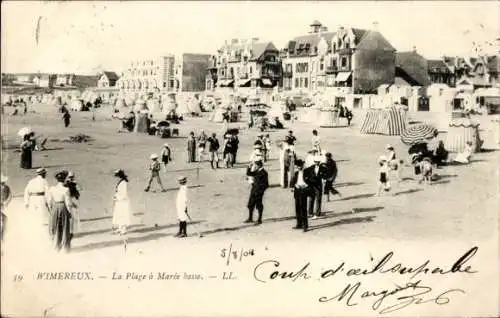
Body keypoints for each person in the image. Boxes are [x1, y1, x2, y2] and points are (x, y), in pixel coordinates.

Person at [47, 171, 73, 252]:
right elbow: (68, 203)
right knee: (65, 227)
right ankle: (65, 247)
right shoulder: (66, 189)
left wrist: (51, 210)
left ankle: (55, 246)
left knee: (54, 226)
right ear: (64, 179)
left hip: (55, 207)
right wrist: (69, 212)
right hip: (63, 207)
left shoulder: (52, 189)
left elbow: (49, 201)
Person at [24, 168, 51, 242]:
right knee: (42, 217)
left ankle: (33, 234)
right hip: (41, 199)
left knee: (33, 216)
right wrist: (49, 203)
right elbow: (47, 193)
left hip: (32, 199)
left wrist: (26, 202)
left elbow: (26, 191)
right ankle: (42, 236)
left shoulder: (31, 181)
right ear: (43, 174)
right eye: (45, 173)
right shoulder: (44, 181)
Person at [245, 160, 269, 225]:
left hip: (258, 192)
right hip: (254, 190)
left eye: (256, 165)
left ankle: (259, 219)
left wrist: (261, 191)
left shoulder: (264, 173)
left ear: (259, 165)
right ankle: (250, 218)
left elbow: (266, 184)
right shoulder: (258, 171)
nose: (255, 166)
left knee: (259, 205)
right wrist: (249, 167)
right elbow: (249, 173)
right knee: (251, 204)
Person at [289, 159, 309, 232]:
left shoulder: (306, 173)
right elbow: (293, 181)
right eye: (297, 166)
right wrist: (294, 186)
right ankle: (299, 224)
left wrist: (305, 185)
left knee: (303, 209)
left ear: (302, 166)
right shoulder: (296, 173)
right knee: (297, 208)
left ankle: (305, 225)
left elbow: (310, 182)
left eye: (300, 166)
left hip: (303, 191)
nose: (299, 167)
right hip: (297, 192)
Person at [112, 169, 132, 235]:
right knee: (118, 215)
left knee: (123, 215)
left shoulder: (123, 183)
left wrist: (117, 198)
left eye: (116, 176)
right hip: (119, 201)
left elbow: (124, 194)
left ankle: (123, 229)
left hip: (123, 201)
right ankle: (120, 228)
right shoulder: (121, 182)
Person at [64, 171, 81, 236]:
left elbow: (80, 189)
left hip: (73, 198)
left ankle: (73, 231)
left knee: (75, 215)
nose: (71, 178)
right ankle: (71, 231)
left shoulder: (73, 183)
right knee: (71, 216)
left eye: (72, 177)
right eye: (70, 177)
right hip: (70, 199)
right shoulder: (66, 184)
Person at [1, 175, 12, 242]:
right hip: (3, 205)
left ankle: (4, 235)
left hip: (4, 206)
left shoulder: (7, 188)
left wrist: (6, 202)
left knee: (5, 219)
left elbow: (10, 196)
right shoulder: (7, 188)